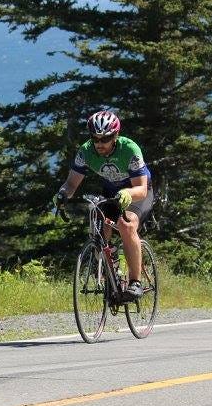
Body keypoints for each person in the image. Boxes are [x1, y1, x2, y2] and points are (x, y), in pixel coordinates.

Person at [54, 110, 154, 299]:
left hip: (138, 193)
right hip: (112, 193)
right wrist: (62, 195)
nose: (99, 144)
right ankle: (110, 263)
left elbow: (141, 188)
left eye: (105, 139)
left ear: (115, 136)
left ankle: (135, 282)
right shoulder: (86, 151)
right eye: (95, 139)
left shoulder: (129, 149)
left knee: (127, 225)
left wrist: (128, 193)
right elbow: (71, 184)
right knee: (98, 224)